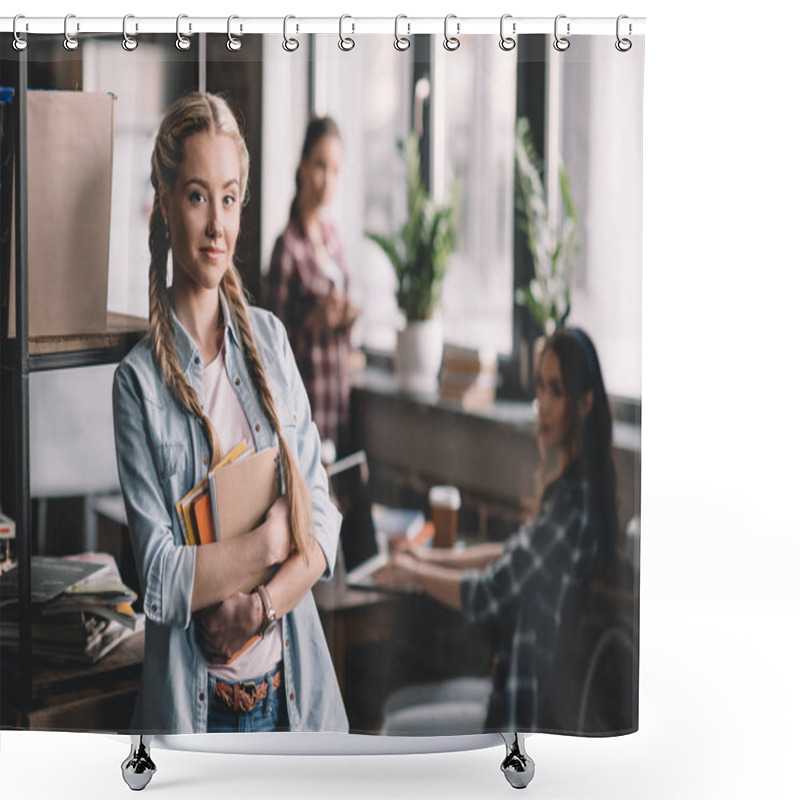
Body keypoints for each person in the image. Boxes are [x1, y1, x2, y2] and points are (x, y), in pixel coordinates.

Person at [112, 92, 348, 734]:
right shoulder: (136, 384)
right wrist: (271, 541)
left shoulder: (270, 342)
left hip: (294, 703)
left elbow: (322, 519)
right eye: (196, 196)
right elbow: (160, 580)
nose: (216, 224)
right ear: (164, 206)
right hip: (197, 716)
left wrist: (264, 605)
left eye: (229, 197)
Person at [380, 327, 623, 732]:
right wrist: (428, 556)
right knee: (396, 705)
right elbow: (510, 553)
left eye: (557, 392)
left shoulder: (573, 507)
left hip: (520, 711)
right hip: (506, 687)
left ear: (585, 403)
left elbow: (490, 593)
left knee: (389, 724)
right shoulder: (572, 491)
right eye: (541, 388)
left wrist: (413, 573)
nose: (542, 405)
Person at [262, 117, 357, 451]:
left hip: (337, 398)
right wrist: (315, 323)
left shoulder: (333, 238)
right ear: (302, 166)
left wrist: (344, 317)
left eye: (335, 170)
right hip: (304, 404)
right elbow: (270, 348)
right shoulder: (286, 247)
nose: (327, 180)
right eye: (320, 166)